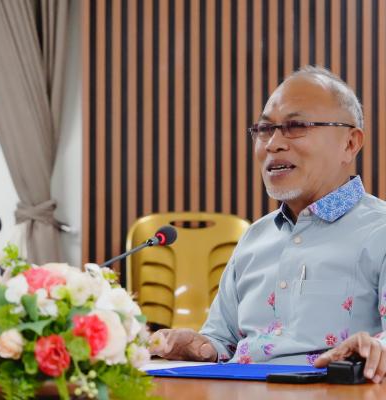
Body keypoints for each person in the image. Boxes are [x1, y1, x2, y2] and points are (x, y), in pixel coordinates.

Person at [149, 66, 386, 383]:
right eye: (264, 129)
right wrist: (198, 346)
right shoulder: (255, 237)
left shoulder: (380, 230)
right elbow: (222, 340)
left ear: (350, 143)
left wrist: (375, 350)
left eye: (296, 126)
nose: (273, 144)